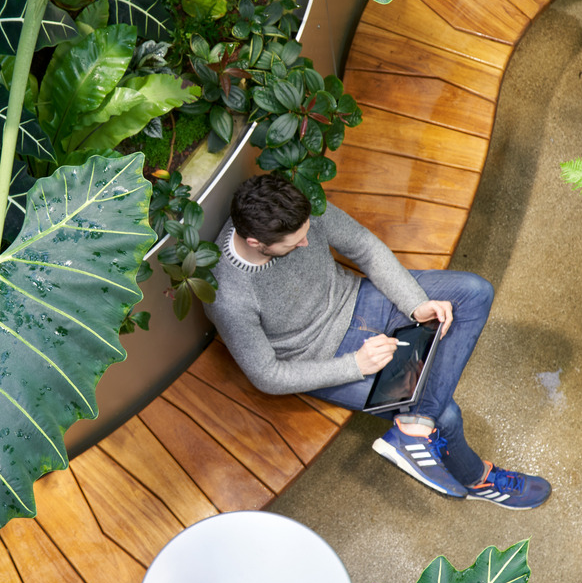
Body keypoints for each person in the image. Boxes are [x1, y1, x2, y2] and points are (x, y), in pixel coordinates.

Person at [202, 174, 551, 509]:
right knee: (445, 413)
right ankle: (477, 479)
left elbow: (365, 247)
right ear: (256, 243)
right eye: (295, 244)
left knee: (474, 293)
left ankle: (413, 431)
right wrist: (356, 365)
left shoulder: (297, 211)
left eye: (306, 233)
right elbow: (267, 375)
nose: (307, 242)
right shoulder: (228, 294)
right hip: (324, 355)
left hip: (360, 298)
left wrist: (415, 303)